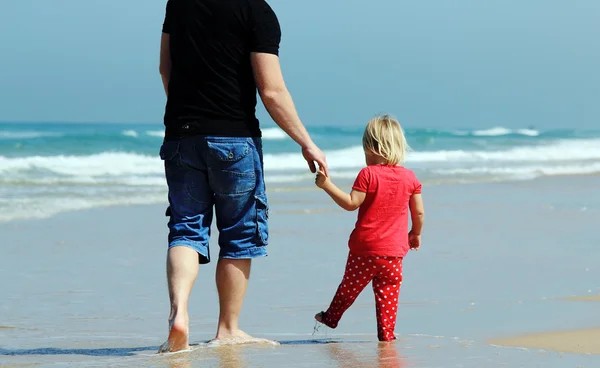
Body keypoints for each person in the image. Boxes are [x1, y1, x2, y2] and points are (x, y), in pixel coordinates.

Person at [157, 0, 328, 353]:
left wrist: (186, 117)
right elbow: (271, 91)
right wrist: (307, 142)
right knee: (237, 236)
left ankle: (180, 315)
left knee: (186, 229)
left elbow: (165, 68)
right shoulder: (256, 11)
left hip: (180, 136)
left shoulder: (179, 4)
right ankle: (228, 328)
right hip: (234, 139)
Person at [313, 115, 424, 342]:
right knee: (388, 295)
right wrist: (415, 233)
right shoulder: (410, 178)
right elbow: (419, 212)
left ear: (371, 147)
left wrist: (326, 185)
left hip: (364, 250)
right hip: (394, 253)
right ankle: (386, 335)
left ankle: (331, 317)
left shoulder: (368, 174)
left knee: (348, 288)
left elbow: (351, 203)